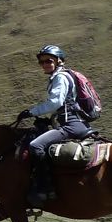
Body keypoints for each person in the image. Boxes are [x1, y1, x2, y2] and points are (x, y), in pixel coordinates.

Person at [16, 44, 94, 207]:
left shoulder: (60, 77)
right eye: (42, 62)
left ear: (59, 61)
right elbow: (64, 105)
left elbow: (55, 102)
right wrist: (47, 119)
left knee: (36, 145)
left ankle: (45, 188)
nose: (44, 64)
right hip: (75, 122)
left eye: (48, 61)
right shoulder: (62, 76)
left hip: (70, 125)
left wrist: (31, 112)